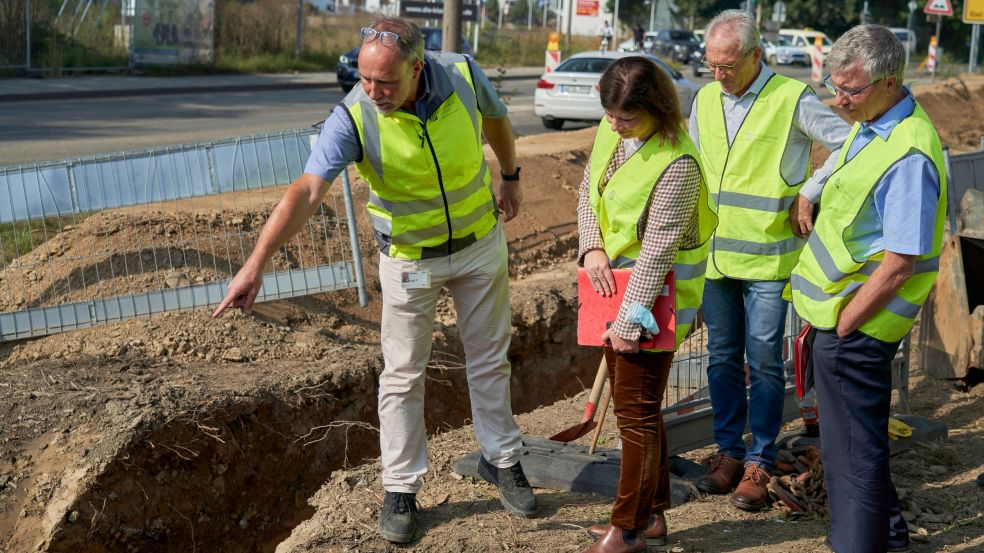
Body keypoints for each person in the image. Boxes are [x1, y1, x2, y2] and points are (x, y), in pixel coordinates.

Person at [210, 17, 536, 544]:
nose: (372, 91)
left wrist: (512, 174)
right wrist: (256, 262)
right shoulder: (354, 116)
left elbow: (497, 121)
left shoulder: (463, 75)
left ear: (417, 68)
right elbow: (307, 190)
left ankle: (505, 461)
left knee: (488, 359)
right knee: (403, 375)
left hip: (479, 246)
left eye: (384, 82)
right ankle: (401, 488)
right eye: (364, 78)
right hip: (411, 261)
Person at [789, 24, 946, 553]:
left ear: (889, 82)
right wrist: (811, 191)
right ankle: (892, 541)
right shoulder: (872, 120)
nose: (839, 101)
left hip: (858, 331)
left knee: (851, 462)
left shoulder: (909, 155)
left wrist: (846, 323)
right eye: (834, 86)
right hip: (843, 324)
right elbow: (843, 161)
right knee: (856, 449)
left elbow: (903, 261)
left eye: (849, 90)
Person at [688, 9, 851, 511]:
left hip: (766, 260)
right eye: (711, 64)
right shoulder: (705, 98)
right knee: (720, 358)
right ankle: (729, 452)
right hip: (716, 259)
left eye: (728, 65)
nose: (719, 75)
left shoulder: (791, 98)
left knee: (761, 362)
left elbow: (851, 142)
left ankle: (759, 458)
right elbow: (691, 162)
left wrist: (811, 190)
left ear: (757, 55)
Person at [577, 56, 717, 553]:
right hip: (612, 289)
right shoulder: (611, 128)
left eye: (626, 117)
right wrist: (591, 244)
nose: (615, 124)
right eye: (610, 114)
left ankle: (628, 527)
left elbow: (658, 249)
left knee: (633, 417)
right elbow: (588, 189)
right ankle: (652, 516)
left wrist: (631, 321)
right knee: (642, 409)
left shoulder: (677, 162)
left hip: (653, 300)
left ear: (656, 108)